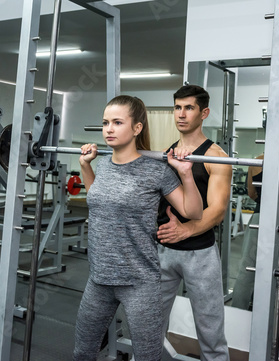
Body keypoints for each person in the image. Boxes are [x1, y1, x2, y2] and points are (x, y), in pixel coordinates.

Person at [73, 95, 203, 361]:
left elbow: (194, 212)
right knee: (82, 353)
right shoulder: (105, 163)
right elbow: (97, 199)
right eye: (105, 122)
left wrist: (186, 173)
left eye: (117, 122)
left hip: (138, 283)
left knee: (146, 357)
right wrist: (86, 166)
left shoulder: (156, 169)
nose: (109, 128)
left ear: (137, 128)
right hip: (98, 279)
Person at [157, 85, 232, 360]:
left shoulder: (216, 157)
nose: (181, 114)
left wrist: (184, 230)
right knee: (149, 325)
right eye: (177, 107)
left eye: (189, 108)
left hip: (199, 254)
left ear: (204, 113)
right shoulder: (166, 154)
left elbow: (218, 210)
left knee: (210, 332)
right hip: (162, 250)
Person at [231, 153, 279, 320]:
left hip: (259, 219)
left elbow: (252, 193)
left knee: (247, 272)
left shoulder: (256, 160)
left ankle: (236, 317)